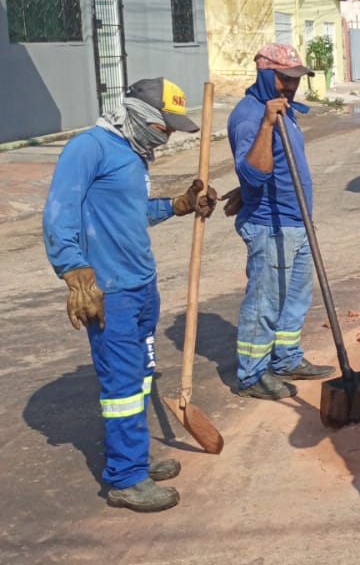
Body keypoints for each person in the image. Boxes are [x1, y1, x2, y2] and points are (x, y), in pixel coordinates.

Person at [43, 77, 216, 512]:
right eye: (166, 127)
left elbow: (131, 213)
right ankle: (124, 477)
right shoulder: (89, 148)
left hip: (142, 287)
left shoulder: (133, 154)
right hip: (112, 292)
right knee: (121, 386)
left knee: (140, 378)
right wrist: (76, 272)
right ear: (142, 116)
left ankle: (134, 456)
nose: (170, 135)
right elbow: (59, 212)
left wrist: (176, 205)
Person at [222, 43, 335, 400]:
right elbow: (254, 172)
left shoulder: (283, 109)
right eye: (284, 78)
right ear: (265, 73)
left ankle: (285, 358)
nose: (291, 85)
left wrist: (245, 188)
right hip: (271, 226)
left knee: (293, 299)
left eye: (296, 79)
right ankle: (251, 375)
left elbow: (264, 174)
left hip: (296, 220)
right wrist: (268, 124)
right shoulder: (250, 115)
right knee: (265, 302)